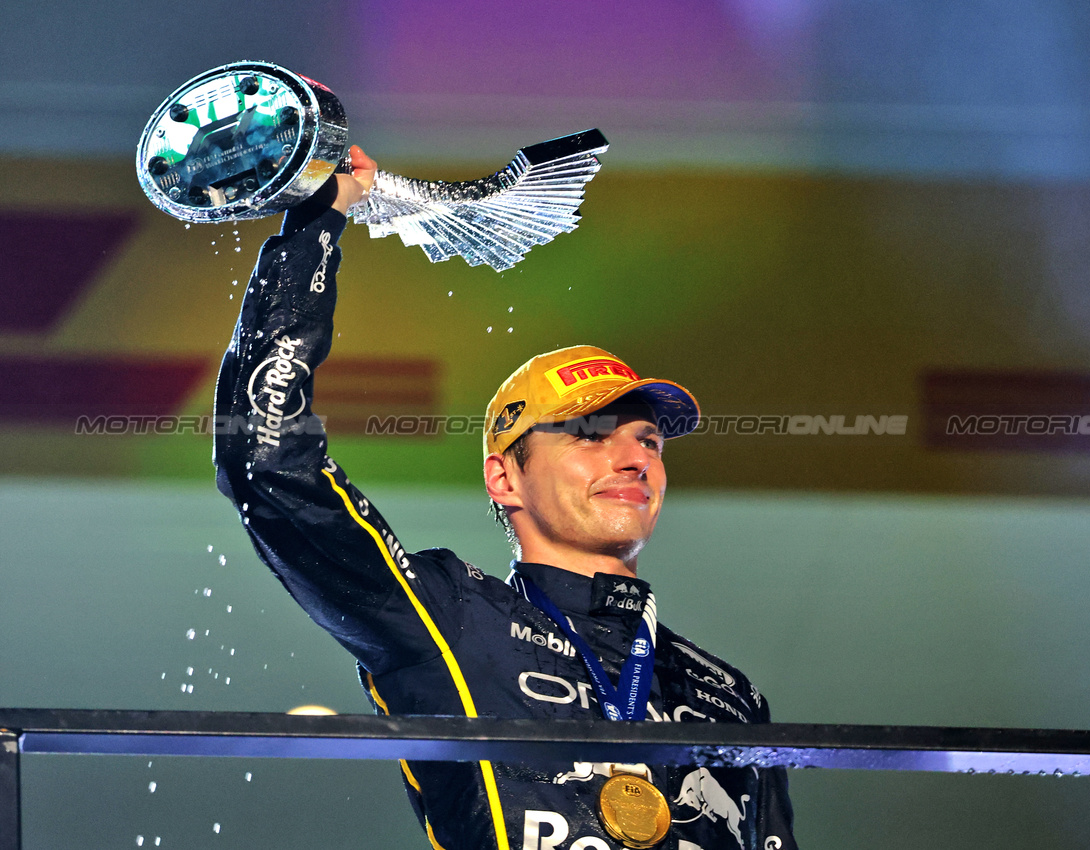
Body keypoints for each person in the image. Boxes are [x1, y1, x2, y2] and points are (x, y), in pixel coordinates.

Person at [214, 145, 798, 850]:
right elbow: (267, 462)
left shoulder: (729, 695)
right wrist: (315, 227)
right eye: (589, 434)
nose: (633, 459)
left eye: (648, 440)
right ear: (504, 479)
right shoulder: (453, 617)